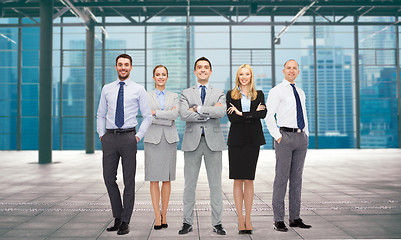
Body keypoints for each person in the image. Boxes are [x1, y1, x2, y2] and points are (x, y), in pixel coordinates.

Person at [97, 54, 152, 235]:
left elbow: (147, 116)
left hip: (129, 137)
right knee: (108, 178)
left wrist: (138, 136)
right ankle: (117, 216)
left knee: (129, 181)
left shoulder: (138, 89)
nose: (123, 67)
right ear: (115, 67)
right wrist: (101, 135)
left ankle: (125, 221)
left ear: (131, 67)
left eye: (126, 65)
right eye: (120, 65)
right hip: (110, 138)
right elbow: (100, 114)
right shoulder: (107, 89)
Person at [178, 57, 227, 235]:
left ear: (210, 71)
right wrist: (209, 111)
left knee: (215, 185)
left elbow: (221, 112)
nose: (203, 70)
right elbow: (183, 114)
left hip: (214, 143)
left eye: (206, 67)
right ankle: (186, 222)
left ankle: (218, 223)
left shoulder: (219, 92)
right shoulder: (185, 92)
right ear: (195, 71)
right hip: (192, 144)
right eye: (199, 67)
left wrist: (197, 109)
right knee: (189, 185)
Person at [264, 59, 311, 232]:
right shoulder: (277, 91)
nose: (291, 71)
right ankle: (278, 219)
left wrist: (306, 133)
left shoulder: (300, 92)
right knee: (281, 178)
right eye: (288, 68)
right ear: (283, 71)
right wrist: (277, 136)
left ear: (298, 72)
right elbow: (268, 115)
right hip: (284, 137)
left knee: (297, 180)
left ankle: (294, 217)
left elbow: (303, 113)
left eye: (295, 68)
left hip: (300, 138)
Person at [226, 64, 267, 235]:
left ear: (251, 76)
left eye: (247, 74)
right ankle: (240, 219)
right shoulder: (230, 94)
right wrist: (250, 114)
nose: (244, 77)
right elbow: (231, 118)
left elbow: (263, 115)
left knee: (249, 179)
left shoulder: (259, 95)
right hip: (236, 141)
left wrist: (242, 114)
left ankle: (248, 218)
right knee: (237, 179)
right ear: (238, 76)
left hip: (252, 141)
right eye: (241, 74)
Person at [143, 65, 179, 230]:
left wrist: (155, 113)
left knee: (167, 178)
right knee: (153, 178)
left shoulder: (174, 96)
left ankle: (164, 214)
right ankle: (156, 216)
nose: (160, 77)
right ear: (153, 77)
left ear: (167, 77)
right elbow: (146, 116)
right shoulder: (146, 96)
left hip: (169, 140)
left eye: (163, 74)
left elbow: (174, 116)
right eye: (158, 74)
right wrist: (166, 116)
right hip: (152, 140)